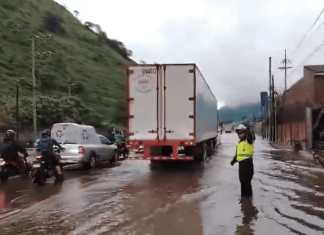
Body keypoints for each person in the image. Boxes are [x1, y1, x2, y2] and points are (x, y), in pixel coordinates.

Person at [231, 124, 255, 198]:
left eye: (240, 133)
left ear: (245, 132)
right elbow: (238, 154)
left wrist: (247, 129)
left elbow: (251, 136)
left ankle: (249, 201)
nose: (239, 135)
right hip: (241, 165)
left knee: (247, 183)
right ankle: (244, 201)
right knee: (242, 182)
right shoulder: (239, 143)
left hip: (248, 164)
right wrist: (233, 161)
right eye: (238, 133)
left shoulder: (248, 140)